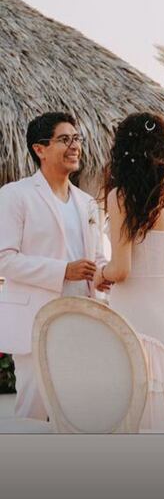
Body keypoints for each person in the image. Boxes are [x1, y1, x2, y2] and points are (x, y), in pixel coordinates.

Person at [94, 112, 164, 433]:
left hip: (134, 314)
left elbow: (121, 269)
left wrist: (100, 273)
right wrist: (159, 271)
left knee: (136, 398)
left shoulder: (120, 196)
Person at [0, 112, 109, 420]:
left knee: (77, 412)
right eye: (64, 139)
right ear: (40, 149)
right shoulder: (14, 195)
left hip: (81, 318)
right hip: (35, 321)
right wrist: (63, 271)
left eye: (77, 139)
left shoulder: (88, 202)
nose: (75, 146)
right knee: (33, 411)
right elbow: (4, 258)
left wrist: (105, 274)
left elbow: (97, 257)